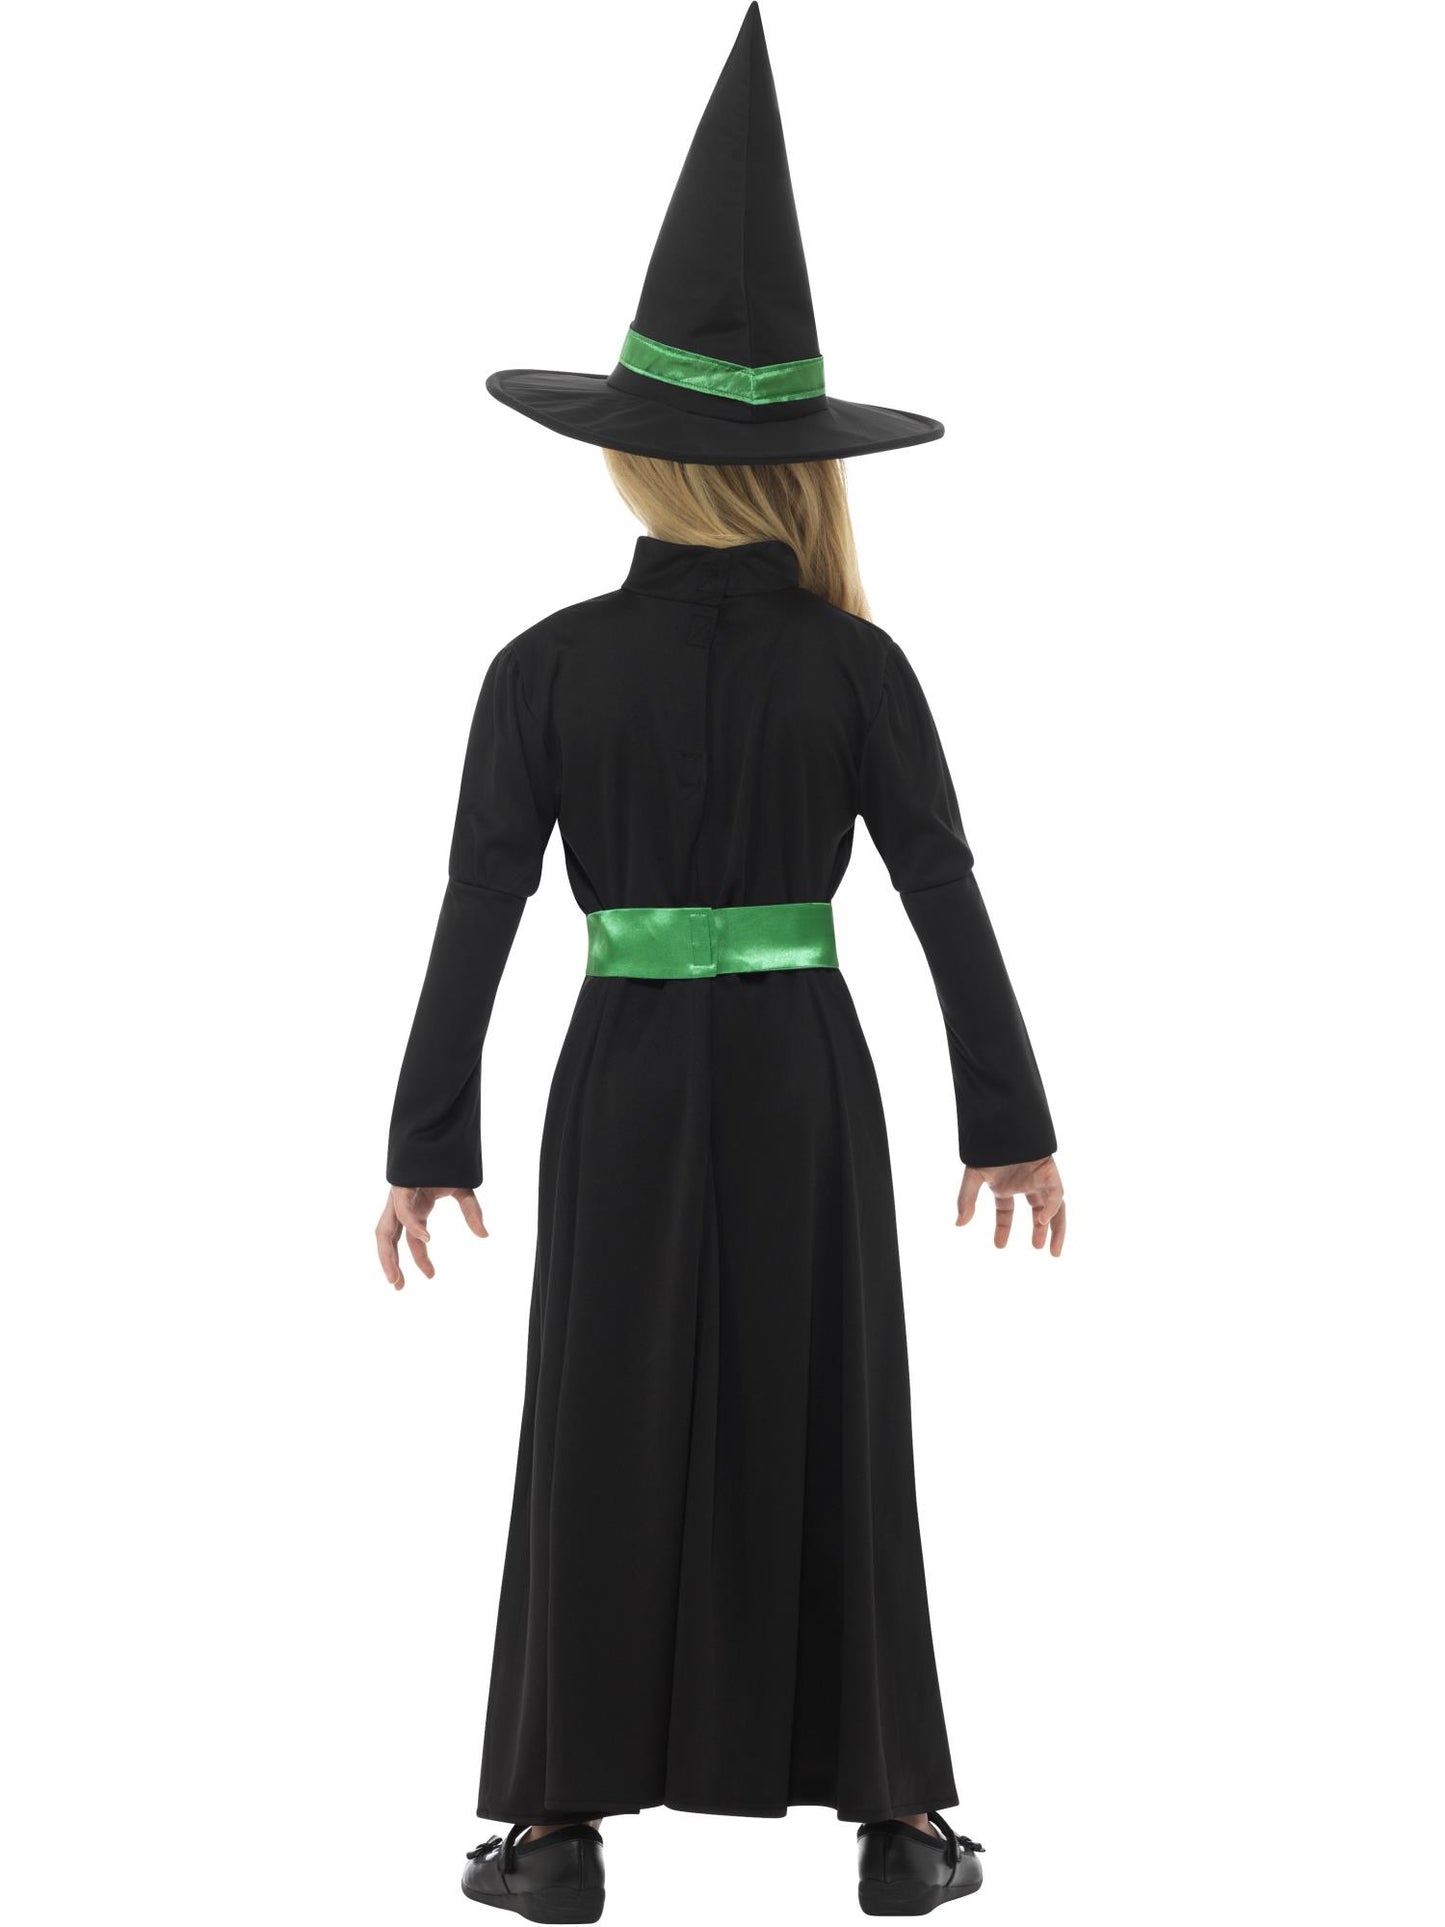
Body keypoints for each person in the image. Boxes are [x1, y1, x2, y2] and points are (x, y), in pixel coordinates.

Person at [377, 7, 1065, 1917]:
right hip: (799, 1065)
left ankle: (552, 1832)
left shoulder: (543, 670)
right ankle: (896, 1824)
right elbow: (941, 893)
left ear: (632, 458)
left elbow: (477, 905)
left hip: (616, 1064)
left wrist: (428, 1142)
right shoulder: (856, 664)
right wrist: (1008, 1124)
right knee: (828, 1403)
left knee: (597, 1406)